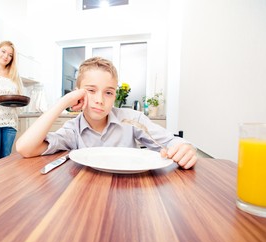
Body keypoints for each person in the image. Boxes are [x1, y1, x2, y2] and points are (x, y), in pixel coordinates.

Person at [16, 57, 197, 169]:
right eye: (91, 90)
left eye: (108, 92)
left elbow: (173, 142)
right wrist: (64, 102)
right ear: (77, 92)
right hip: (86, 194)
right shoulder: (73, 129)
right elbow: (25, 148)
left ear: (115, 95)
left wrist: (185, 149)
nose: (100, 100)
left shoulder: (132, 119)